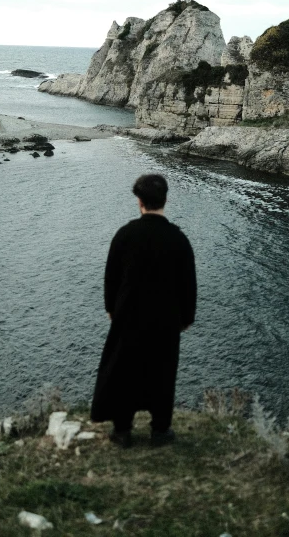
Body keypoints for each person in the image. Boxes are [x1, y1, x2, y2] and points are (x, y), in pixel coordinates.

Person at [90, 173, 197, 448]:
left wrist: (111, 309)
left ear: (139, 201)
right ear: (165, 200)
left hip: (128, 317)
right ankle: (160, 431)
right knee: (162, 372)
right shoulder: (178, 239)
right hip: (166, 319)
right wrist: (186, 318)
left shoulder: (125, 235)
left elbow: (111, 277)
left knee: (125, 370)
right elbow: (188, 283)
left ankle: (123, 431)